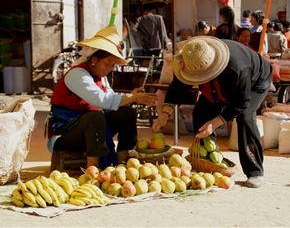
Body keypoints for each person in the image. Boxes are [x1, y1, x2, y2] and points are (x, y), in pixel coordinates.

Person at [152, 36, 272, 188]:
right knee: (201, 112)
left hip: (255, 82)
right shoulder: (192, 60)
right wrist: (165, 114)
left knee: (244, 117)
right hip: (217, 82)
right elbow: (177, 86)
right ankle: (207, 162)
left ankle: (255, 172)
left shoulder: (237, 69)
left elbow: (241, 102)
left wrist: (215, 122)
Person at [46, 26, 158, 169]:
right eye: (107, 63)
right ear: (94, 60)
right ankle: (93, 168)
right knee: (95, 117)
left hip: (91, 129)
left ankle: (122, 163)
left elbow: (111, 98)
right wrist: (132, 98)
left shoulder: (102, 78)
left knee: (127, 113)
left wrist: (131, 95)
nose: (110, 68)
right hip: (65, 133)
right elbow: (100, 100)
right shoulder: (77, 74)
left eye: (113, 65)